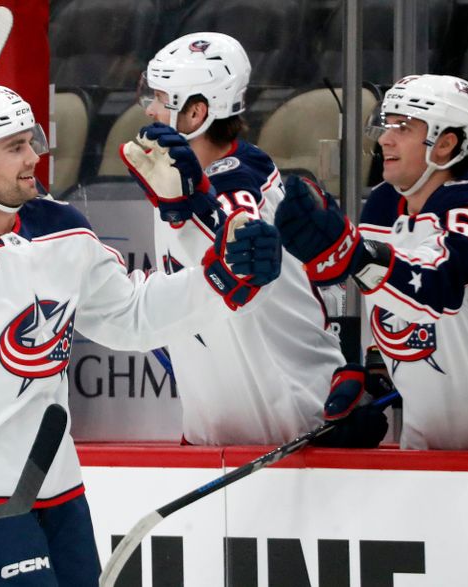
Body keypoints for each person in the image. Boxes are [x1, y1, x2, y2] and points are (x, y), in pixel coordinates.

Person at [0, 83, 282, 584]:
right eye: (14, 147)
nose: (33, 159)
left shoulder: (61, 228)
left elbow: (129, 314)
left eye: (30, 142)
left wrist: (218, 279)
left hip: (57, 488)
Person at [274, 74, 468, 452]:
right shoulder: (382, 206)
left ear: (445, 143)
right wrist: (372, 383)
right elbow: (396, 319)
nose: (385, 138)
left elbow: (436, 289)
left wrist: (354, 254)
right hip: (431, 454)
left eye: (404, 126)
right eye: (386, 124)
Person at [125, 32, 346, 446]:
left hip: (292, 431)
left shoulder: (239, 178)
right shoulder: (177, 179)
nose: (150, 109)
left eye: (161, 98)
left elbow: (241, 239)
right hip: (223, 433)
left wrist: (191, 204)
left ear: (195, 113)